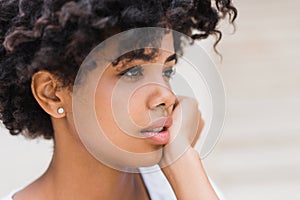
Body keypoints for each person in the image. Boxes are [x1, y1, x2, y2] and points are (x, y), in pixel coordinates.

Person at [0, 0, 237, 199]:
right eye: (132, 72)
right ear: (51, 93)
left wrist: (183, 161)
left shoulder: (186, 188)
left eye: (167, 72)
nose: (166, 95)